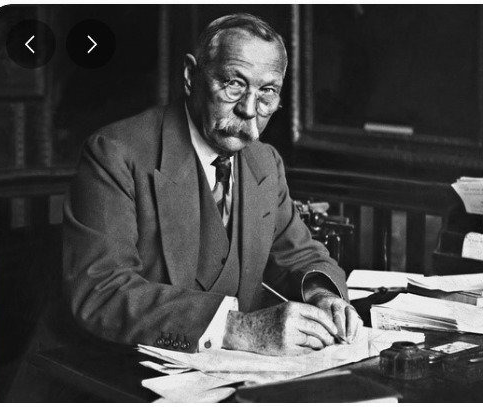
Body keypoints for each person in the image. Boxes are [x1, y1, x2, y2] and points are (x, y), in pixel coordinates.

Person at [63, 13, 361, 356]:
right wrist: (235, 329)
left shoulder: (265, 162)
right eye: (234, 84)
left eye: (267, 92)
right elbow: (102, 291)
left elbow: (300, 255)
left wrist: (323, 296)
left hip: (226, 375)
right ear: (191, 76)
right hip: (114, 368)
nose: (249, 109)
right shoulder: (115, 154)